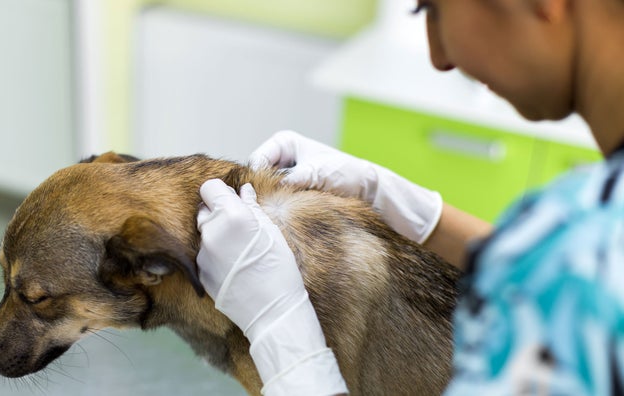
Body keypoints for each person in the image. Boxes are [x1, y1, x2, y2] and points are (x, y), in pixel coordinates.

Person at [196, 0, 624, 394]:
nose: (440, 58)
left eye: (433, 9)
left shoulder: (577, 260)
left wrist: (282, 335)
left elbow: (573, 268)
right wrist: (417, 213)